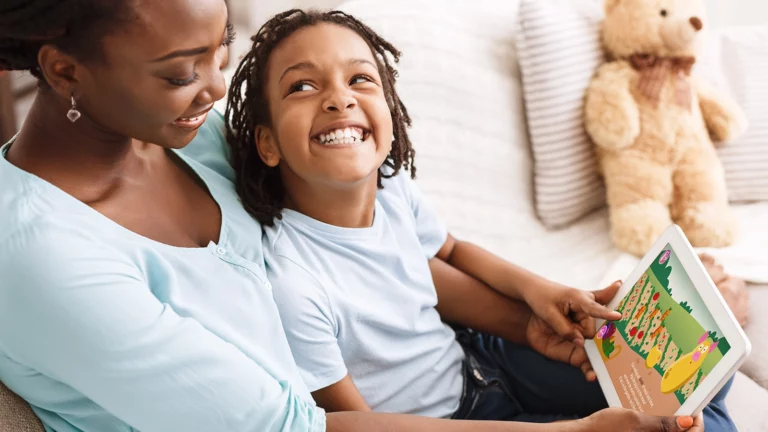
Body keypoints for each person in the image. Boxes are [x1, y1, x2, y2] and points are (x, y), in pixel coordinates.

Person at [225, 8, 732, 431]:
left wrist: (539, 293)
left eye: (360, 78)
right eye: (302, 87)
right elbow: (355, 425)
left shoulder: (392, 187)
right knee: (685, 419)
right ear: (266, 143)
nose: (339, 98)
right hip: (449, 420)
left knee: (696, 372)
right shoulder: (292, 282)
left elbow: (448, 254)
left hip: (481, 358)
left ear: (390, 107)